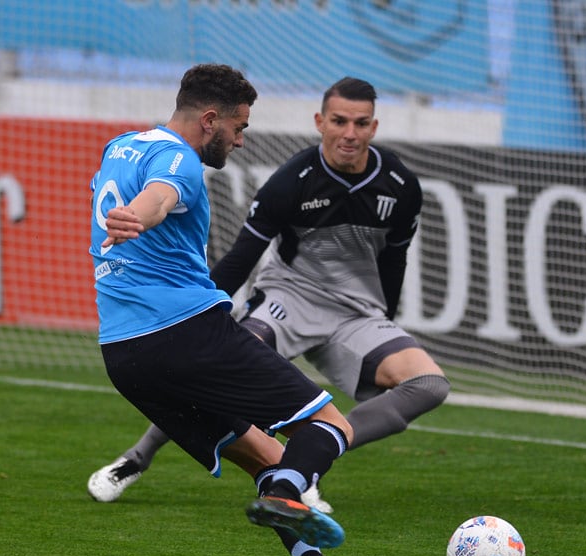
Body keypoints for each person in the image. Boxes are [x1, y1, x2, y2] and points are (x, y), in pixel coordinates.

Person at [89, 76, 450, 513]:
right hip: (289, 300)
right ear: (320, 122)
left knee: (430, 384)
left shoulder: (399, 184)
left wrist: (384, 317)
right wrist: (204, 326)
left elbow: (395, 260)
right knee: (216, 362)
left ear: (374, 128)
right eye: (339, 121)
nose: (349, 134)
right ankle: (136, 457)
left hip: (356, 314)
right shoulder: (292, 180)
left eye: (361, 123)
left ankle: (305, 462)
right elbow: (241, 258)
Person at [90, 63, 368, 556]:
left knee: (267, 458)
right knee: (332, 424)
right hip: (188, 333)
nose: (241, 140)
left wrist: (133, 216)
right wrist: (141, 216)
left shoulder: (120, 147)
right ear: (210, 119)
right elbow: (162, 196)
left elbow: (144, 196)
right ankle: (291, 492)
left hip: (123, 355)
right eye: (239, 127)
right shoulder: (181, 161)